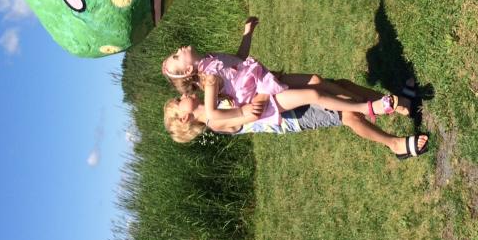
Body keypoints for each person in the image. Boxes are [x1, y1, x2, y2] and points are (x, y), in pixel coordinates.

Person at [161, 17, 410, 127]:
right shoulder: (209, 79)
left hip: (264, 79)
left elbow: (239, 59)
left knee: (317, 81)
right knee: (314, 95)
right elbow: (214, 114)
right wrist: (242, 112)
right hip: (261, 97)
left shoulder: (210, 60)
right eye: (176, 57)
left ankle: (379, 102)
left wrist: (247, 34)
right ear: (188, 70)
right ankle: (367, 107)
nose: (179, 50)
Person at [162, 83, 429, 160]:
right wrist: (262, 88)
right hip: (287, 116)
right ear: (184, 117)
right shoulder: (215, 122)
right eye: (178, 100)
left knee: (340, 87)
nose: (182, 95)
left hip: (283, 97)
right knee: (347, 115)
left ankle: (397, 104)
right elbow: (253, 111)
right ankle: (395, 145)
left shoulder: (215, 100)